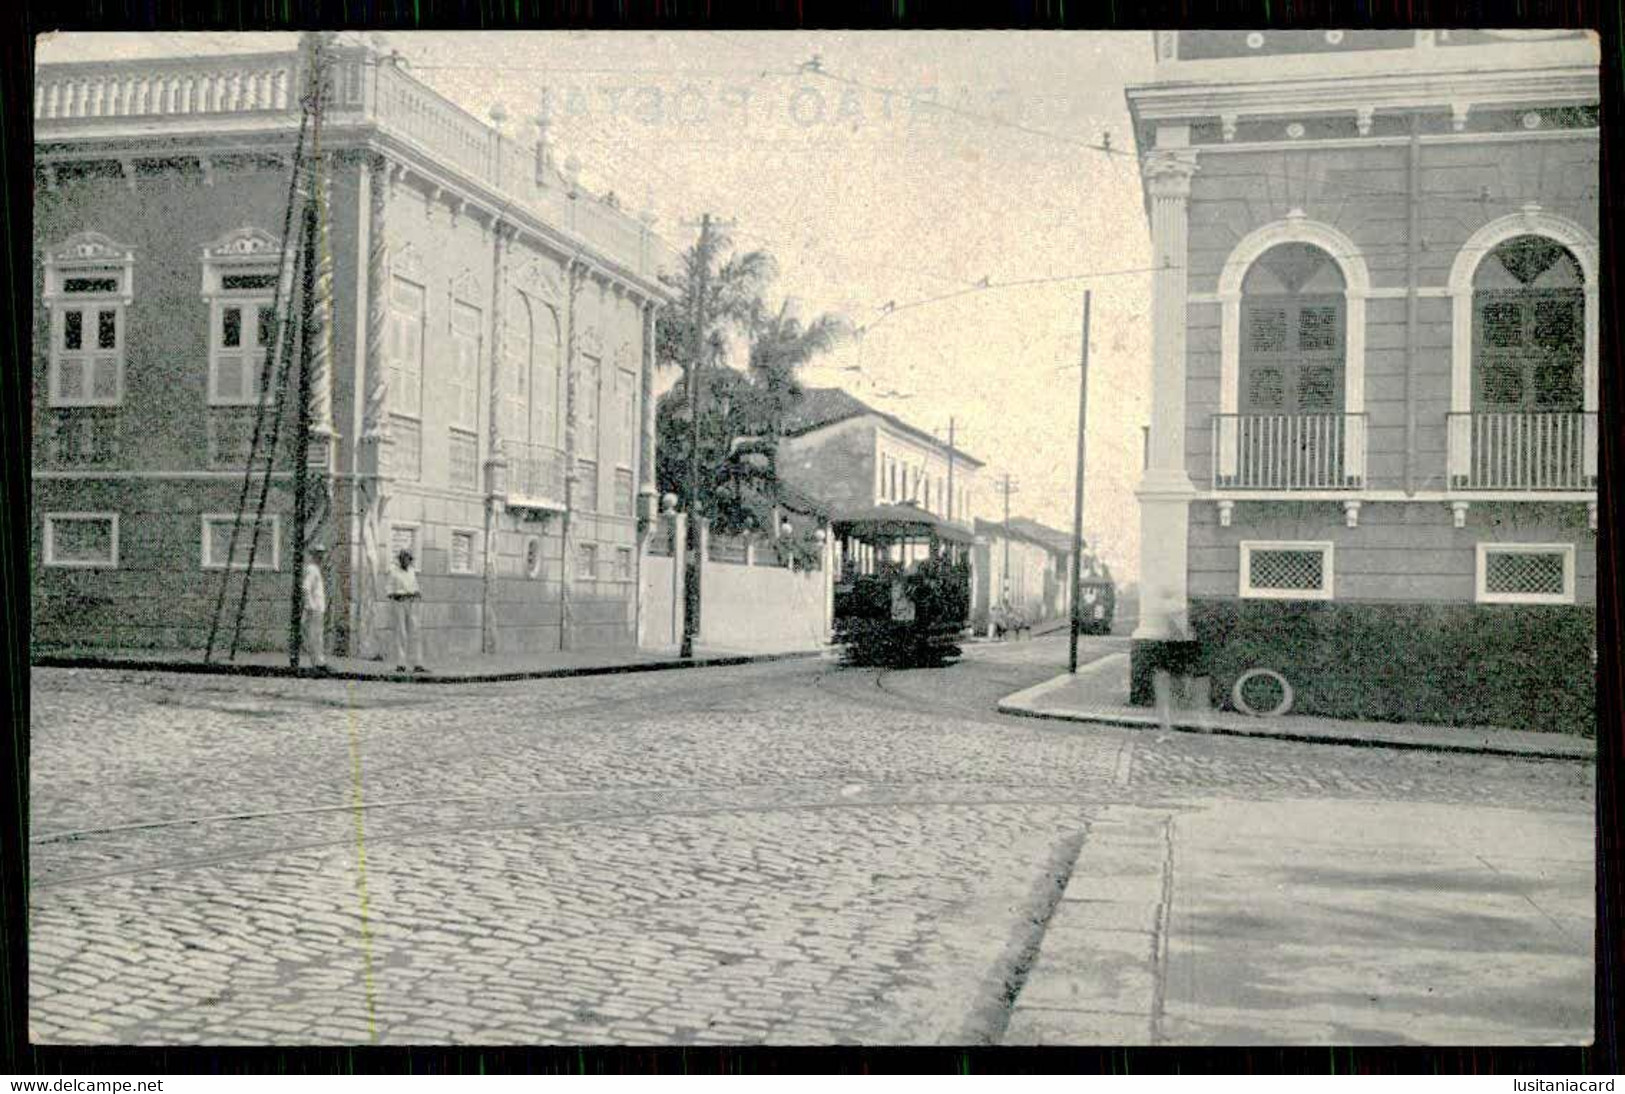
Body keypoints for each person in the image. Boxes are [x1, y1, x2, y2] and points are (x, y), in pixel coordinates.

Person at [388, 548, 427, 674]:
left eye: (409, 559)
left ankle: (417, 663)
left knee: (415, 632)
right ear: (400, 559)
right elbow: (388, 589)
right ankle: (401, 663)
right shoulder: (394, 572)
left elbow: (415, 585)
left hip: (412, 602)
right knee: (401, 632)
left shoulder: (411, 571)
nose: (407, 561)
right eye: (404, 558)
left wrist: (417, 592)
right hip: (400, 603)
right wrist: (395, 594)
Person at [301, 545, 329, 672]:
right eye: (318, 554)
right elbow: (306, 587)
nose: (321, 556)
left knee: (317, 635)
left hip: (318, 608)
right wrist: (310, 604)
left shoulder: (315, 569)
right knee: (315, 636)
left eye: (322, 554)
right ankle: (317, 662)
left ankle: (318, 661)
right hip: (315, 608)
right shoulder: (312, 569)